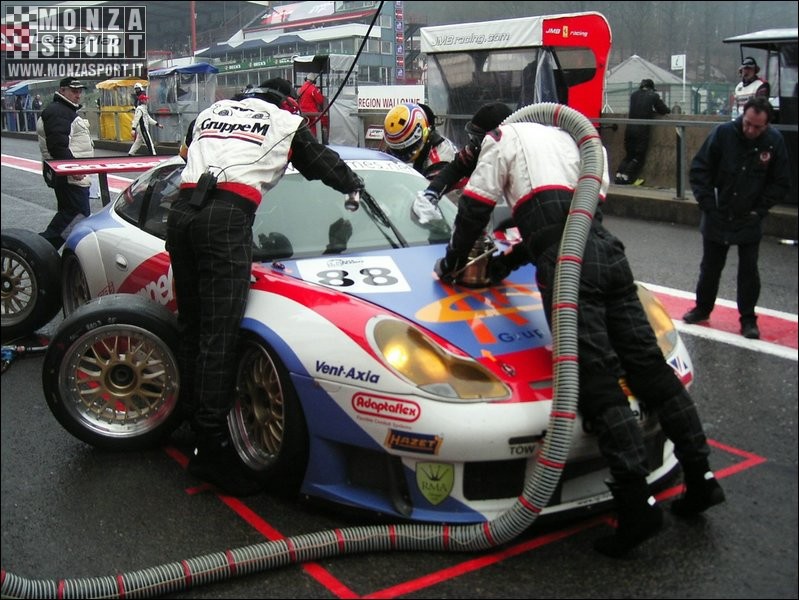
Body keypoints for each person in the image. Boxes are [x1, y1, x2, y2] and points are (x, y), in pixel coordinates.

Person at [432, 103, 725, 558]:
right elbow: (573, 218)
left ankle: (636, 505)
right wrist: (508, 263)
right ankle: (702, 475)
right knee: (648, 365)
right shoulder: (573, 140)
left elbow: (474, 210)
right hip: (609, 254)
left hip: (569, 269)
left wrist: (453, 263)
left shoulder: (502, 139)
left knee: (596, 378)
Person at [166, 78, 364, 496]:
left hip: (181, 214)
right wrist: (352, 184)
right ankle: (212, 450)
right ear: (289, 102)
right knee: (220, 335)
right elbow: (323, 165)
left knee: (193, 326)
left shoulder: (211, 112)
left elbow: (185, 155)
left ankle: (187, 419)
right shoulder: (286, 122)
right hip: (225, 220)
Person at [683, 97, 790, 340]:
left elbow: (781, 182)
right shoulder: (723, 133)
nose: (750, 130)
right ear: (743, 115)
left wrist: (759, 210)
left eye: (757, 127)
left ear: (766, 125)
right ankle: (702, 308)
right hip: (718, 211)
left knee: (749, 270)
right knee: (710, 267)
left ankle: (748, 318)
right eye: (747, 123)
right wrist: (708, 204)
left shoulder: (774, 142)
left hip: (749, 215)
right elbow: (700, 169)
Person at [36, 77, 95, 250]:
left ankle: (48, 251)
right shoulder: (59, 112)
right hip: (70, 177)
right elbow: (57, 146)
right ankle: (39, 250)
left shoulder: (63, 110)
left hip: (70, 176)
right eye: (74, 91)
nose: (78, 95)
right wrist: (72, 169)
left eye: (79, 91)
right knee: (77, 214)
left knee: (71, 215)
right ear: (62, 91)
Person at [614, 78, 670, 186]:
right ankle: (626, 177)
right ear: (651, 88)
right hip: (641, 130)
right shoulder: (653, 95)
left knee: (629, 154)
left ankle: (618, 175)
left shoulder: (634, 95)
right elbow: (663, 110)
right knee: (638, 156)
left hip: (629, 129)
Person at [383, 102, 457, 179]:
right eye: (395, 149)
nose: (400, 155)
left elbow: (431, 186)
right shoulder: (395, 146)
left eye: (408, 148)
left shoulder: (440, 159)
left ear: (423, 134)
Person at [297, 73, 327, 143]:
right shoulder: (313, 89)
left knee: (304, 129)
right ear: (314, 81)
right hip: (312, 114)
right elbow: (320, 100)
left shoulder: (301, 88)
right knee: (313, 130)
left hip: (302, 113)